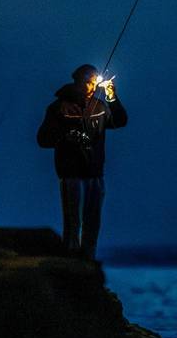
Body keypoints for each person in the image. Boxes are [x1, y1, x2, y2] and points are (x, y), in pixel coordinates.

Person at [37, 64, 128, 258]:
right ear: (77, 82)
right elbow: (42, 140)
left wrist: (112, 97)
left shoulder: (100, 106)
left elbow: (120, 121)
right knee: (73, 223)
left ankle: (88, 262)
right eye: (88, 82)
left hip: (95, 174)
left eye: (94, 81)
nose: (92, 86)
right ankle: (70, 263)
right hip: (70, 175)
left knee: (92, 222)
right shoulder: (58, 108)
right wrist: (68, 135)